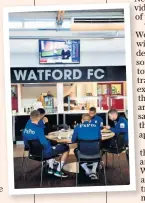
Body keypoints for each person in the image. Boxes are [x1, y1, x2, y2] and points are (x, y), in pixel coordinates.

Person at [23, 110, 69, 178]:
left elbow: (26, 142)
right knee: (66, 148)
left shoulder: (26, 127)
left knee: (50, 145)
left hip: (32, 152)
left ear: (30, 117)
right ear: (39, 118)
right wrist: (56, 143)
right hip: (43, 154)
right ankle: (58, 170)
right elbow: (45, 145)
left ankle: (50, 168)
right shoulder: (39, 130)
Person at [72, 114, 101, 180]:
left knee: (76, 150)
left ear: (82, 120)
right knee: (99, 148)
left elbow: (73, 140)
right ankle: (93, 171)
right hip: (96, 152)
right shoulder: (97, 126)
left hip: (82, 152)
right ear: (90, 121)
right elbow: (100, 138)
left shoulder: (77, 127)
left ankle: (87, 170)